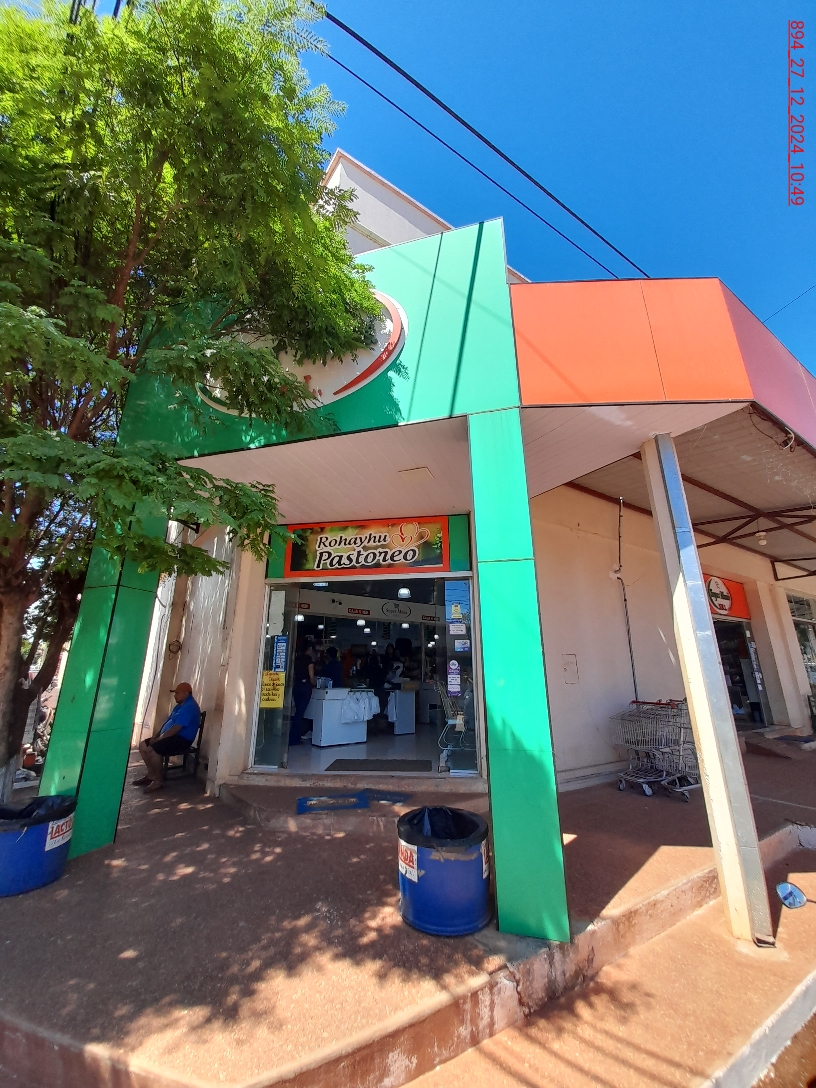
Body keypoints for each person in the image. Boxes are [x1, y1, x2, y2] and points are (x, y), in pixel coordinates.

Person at [134, 683, 201, 793]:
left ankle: (158, 780)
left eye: (177, 693)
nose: (175, 695)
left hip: (182, 739)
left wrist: (160, 739)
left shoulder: (190, 707)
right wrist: (156, 736)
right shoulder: (179, 706)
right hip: (170, 736)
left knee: (153, 750)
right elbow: (168, 722)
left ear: (186, 693)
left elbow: (176, 728)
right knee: (143, 745)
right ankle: (151, 774)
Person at [289, 641, 315, 745]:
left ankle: (294, 737)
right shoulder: (309, 660)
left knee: (298, 712)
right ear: (309, 649)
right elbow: (311, 676)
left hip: (297, 685)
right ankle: (293, 738)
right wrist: (314, 684)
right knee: (300, 713)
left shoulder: (296, 659)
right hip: (305, 686)